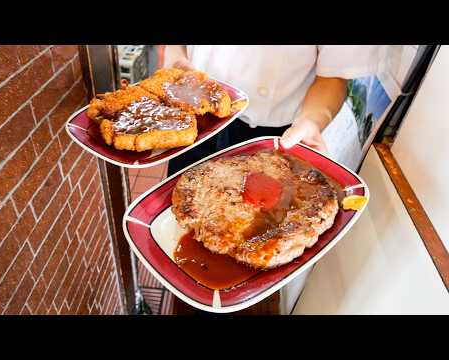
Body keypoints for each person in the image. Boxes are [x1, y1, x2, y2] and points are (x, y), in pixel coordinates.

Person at [162, 45, 380, 313]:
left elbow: (333, 77)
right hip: (198, 114)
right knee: (175, 254)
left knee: (253, 286)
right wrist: (175, 59)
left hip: (275, 141)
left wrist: (313, 121)